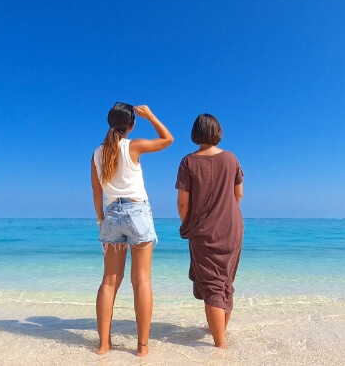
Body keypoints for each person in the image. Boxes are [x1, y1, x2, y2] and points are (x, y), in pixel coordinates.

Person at [91, 102, 173, 356]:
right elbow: (168, 139)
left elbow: (96, 193)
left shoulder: (97, 153)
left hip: (112, 215)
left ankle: (104, 345)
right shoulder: (133, 146)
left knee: (109, 282)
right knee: (142, 281)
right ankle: (142, 348)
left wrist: (101, 220)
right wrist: (150, 116)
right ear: (131, 125)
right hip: (137, 214)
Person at [175, 113, 244, 349]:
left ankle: (220, 346)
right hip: (233, 226)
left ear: (196, 133)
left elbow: (183, 203)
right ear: (217, 132)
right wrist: (225, 215)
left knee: (212, 285)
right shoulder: (232, 159)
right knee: (225, 281)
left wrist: (189, 225)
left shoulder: (188, 162)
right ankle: (219, 332)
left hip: (203, 229)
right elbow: (238, 195)